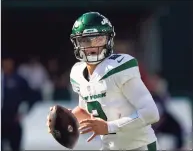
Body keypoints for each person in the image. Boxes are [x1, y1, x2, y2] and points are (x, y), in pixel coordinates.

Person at [47, 12, 160, 150]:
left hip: (139, 146)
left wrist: (109, 127)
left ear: (108, 40)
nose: (93, 46)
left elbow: (151, 113)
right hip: (110, 147)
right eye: (86, 40)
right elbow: (87, 110)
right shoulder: (77, 73)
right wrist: (63, 120)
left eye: (99, 39)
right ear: (76, 43)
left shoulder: (118, 67)